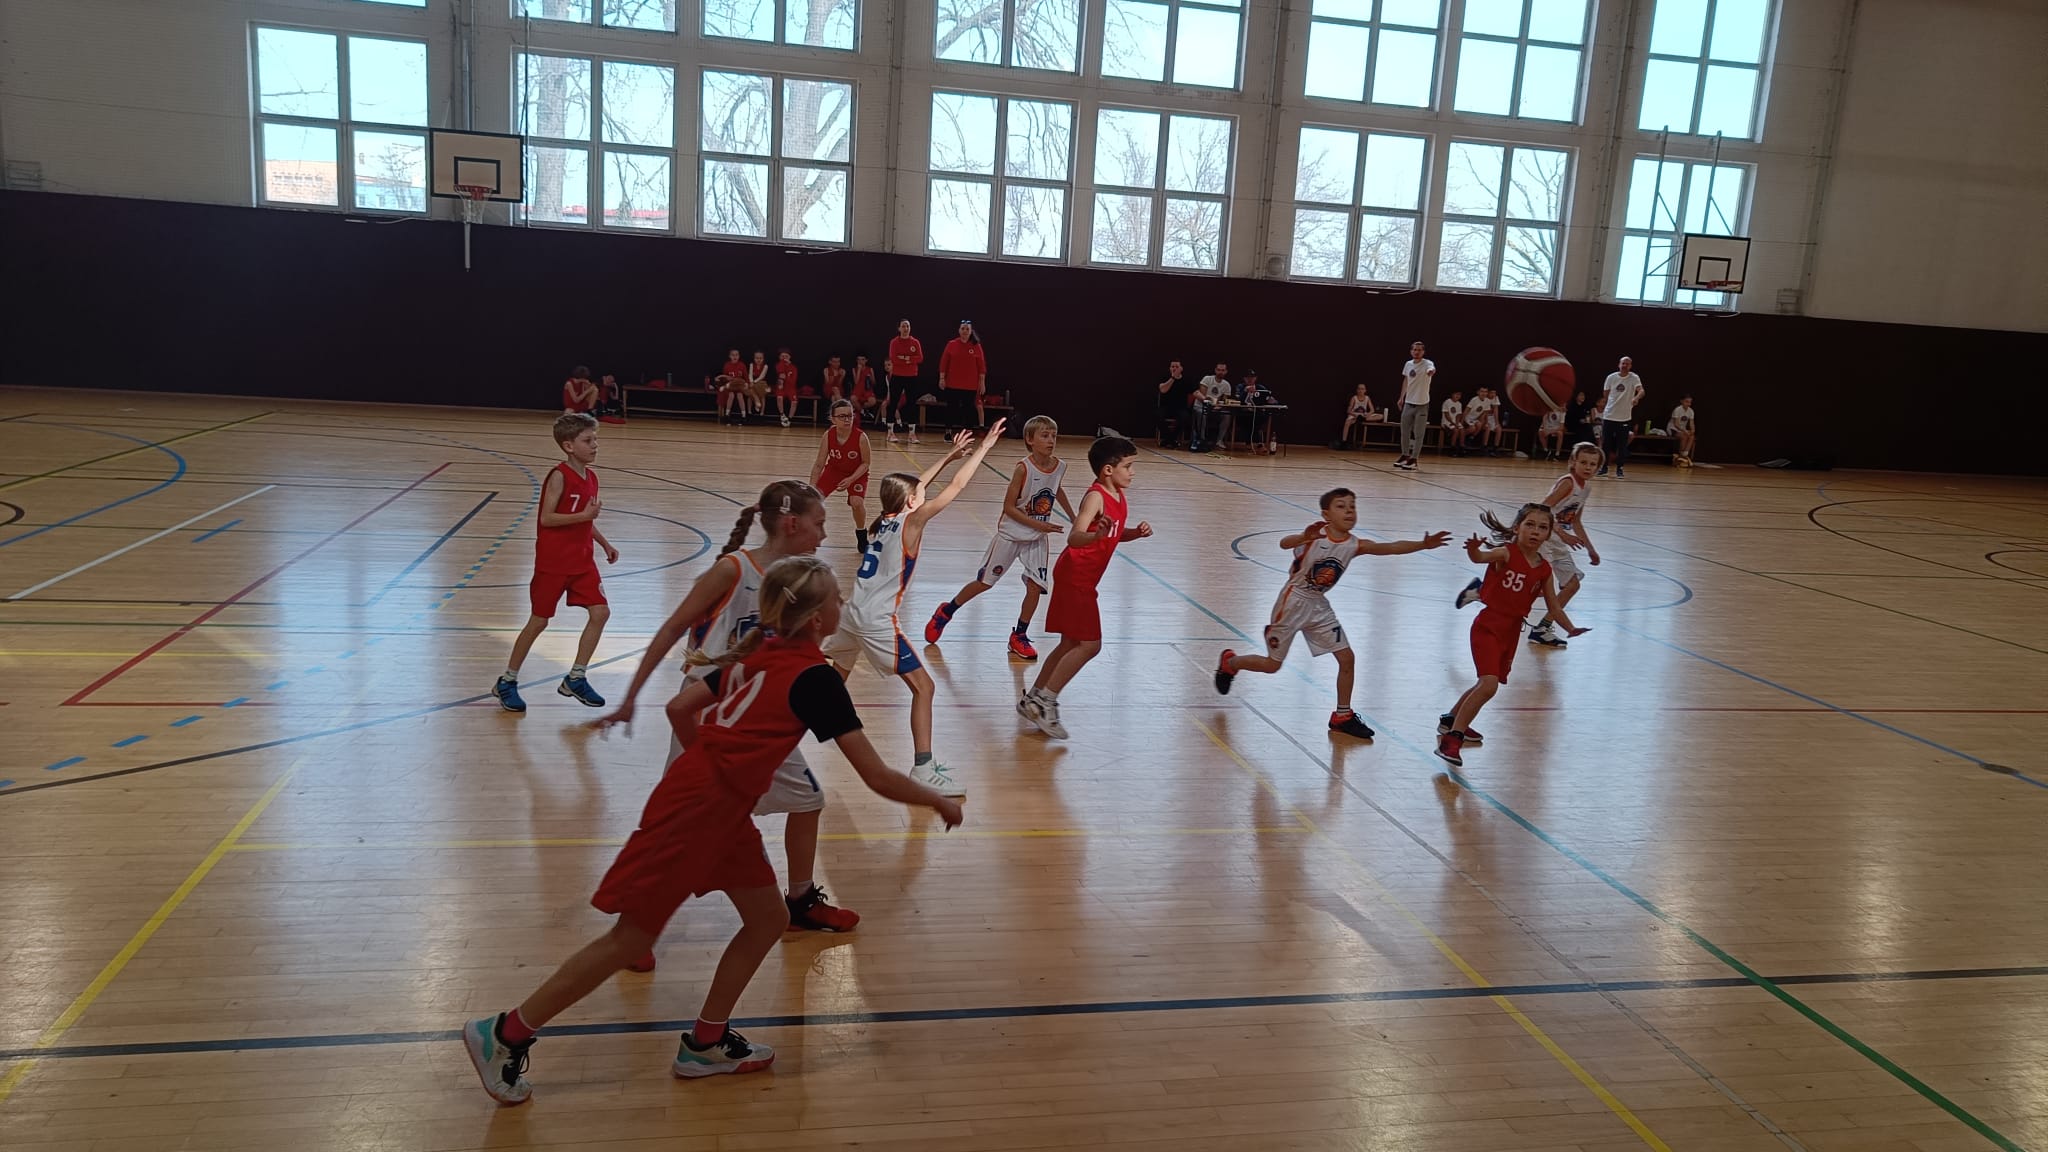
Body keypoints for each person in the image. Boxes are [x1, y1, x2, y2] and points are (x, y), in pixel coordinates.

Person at [462, 556, 964, 1107]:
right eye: (836, 598)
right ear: (818, 618)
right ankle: (505, 1033)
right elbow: (875, 776)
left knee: (768, 918)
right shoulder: (815, 678)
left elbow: (681, 708)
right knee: (629, 940)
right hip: (699, 814)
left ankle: (705, 1043)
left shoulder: (760, 653)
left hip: (718, 809)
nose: (843, 604)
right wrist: (936, 799)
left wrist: (712, 764)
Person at [594, 480, 858, 952]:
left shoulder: (802, 578)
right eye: (818, 524)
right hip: (705, 707)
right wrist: (631, 696)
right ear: (791, 523)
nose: (823, 534)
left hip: (761, 709)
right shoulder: (734, 569)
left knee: (807, 800)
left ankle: (800, 902)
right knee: (682, 824)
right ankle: (633, 932)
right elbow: (672, 627)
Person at [828, 423, 1008, 798]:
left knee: (831, 686)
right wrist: (983, 449)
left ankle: (781, 736)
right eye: (919, 495)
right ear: (911, 502)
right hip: (875, 622)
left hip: (851, 613)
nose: (923, 495)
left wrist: (948, 455)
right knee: (924, 687)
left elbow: (916, 485)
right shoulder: (912, 522)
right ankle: (923, 768)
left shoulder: (883, 521)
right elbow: (956, 487)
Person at [1214, 488, 1449, 739]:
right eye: (1341, 506)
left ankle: (1342, 716)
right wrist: (1303, 537)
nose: (1349, 511)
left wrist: (1423, 544)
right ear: (1326, 514)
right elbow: (1284, 543)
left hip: (1318, 606)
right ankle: (1231, 663)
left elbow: (1390, 547)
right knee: (1272, 665)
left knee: (1347, 658)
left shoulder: (1355, 544)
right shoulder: (1314, 536)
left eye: (1352, 506)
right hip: (1292, 602)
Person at [1018, 436, 1154, 739]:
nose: (1132, 472)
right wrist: (1095, 537)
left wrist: (1134, 533)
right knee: (1091, 645)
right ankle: (1046, 701)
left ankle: (1033, 698)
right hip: (1075, 576)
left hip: (1082, 577)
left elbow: (1113, 533)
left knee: (1069, 643)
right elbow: (1075, 536)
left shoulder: (1118, 495)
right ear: (1108, 469)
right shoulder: (1095, 497)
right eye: (1128, 466)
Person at [1438, 504, 1587, 767]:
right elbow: (1479, 558)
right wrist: (1473, 549)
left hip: (1510, 632)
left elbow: (1554, 607)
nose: (1536, 531)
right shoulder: (1506, 553)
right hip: (1488, 626)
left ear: (1549, 534)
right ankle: (1452, 740)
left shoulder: (1544, 569)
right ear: (1517, 528)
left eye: (1543, 527)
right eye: (1530, 525)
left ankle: (1451, 720)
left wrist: (1571, 628)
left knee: (1485, 683)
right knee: (1489, 685)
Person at [493, 413, 619, 713]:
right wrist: (584, 516)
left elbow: (584, 520)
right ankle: (507, 681)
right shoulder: (559, 476)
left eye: (595, 439)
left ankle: (576, 677)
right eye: (588, 440)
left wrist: (604, 543)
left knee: (601, 612)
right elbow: (547, 518)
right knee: (539, 621)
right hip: (554, 563)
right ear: (568, 446)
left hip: (583, 562)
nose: (595, 445)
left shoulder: (592, 478)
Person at [925, 415, 1076, 661]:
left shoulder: (1060, 466)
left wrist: (1073, 516)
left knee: (1035, 586)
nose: (1051, 440)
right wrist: (1040, 524)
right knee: (985, 582)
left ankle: (1019, 635)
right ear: (1030, 440)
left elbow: (1055, 487)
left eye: (1054, 436)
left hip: (1037, 537)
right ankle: (947, 610)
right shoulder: (1022, 469)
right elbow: (1009, 508)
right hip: (1011, 533)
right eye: (1045, 436)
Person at [1460, 441, 1603, 649]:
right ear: (1573, 462)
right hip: (1543, 538)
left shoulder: (1586, 488)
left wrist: (1591, 549)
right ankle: (1481, 592)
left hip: (1557, 542)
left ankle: (1542, 628)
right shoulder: (1568, 483)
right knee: (1536, 585)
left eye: (1593, 464)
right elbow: (1544, 509)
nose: (1588, 467)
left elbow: (1576, 521)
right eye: (1584, 462)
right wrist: (1562, 534)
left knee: (1572, 585)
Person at [809, 399, 873, 554]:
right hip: (834, 470)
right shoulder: (828, 435)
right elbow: (819, 464)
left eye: (850, 416)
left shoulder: (861, 437)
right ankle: (809, 536)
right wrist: (811, 488)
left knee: (856, 502)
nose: (847, 419)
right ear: (833, 419)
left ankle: (861, 534)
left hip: (856, 473)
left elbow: (866, 463)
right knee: (813, 501)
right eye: (842, 416)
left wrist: (850, 480)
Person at [1597, 356, 1644, 478]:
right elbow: (1606, 394)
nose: (1625, 365)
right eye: (1623, 363)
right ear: (1619, 364)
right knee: (1605, 444)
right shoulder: (1611, 377)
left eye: (1627, 364)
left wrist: (1636, 398)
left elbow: (1641, 391)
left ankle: (1620, 469)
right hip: (1609, 416)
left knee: (1622, 445)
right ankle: (1604, 467)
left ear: (1630, 366)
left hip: (1624, 418)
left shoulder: (1634, 378)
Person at [937, 321, 987, 433]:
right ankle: (948, 432)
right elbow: (944, 363)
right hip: (952, 384)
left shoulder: (976, 346)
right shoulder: (951, 344)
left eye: (967, 329)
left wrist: (982, 382)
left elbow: (981, 366)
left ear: (971, 331)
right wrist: (942, 378)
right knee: (951, 408)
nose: (965, 331)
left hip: (970, 385)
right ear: (959, 330)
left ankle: (968, 433)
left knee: (969, 409)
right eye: (963, 328)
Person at [1395, 341, 1434, 471]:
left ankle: (1414, 459)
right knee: (1404, 431)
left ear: (1423, 352)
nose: (1417, 352)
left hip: (1422, 404)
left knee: (1418, 433)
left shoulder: (1427, 363)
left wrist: (1430, 371)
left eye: (1419, 350)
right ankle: (1405, 455)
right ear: (1411, 351)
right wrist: (1401, 397)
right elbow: (1406, 380)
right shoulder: (1408, 364)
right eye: (1415, 349)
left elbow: (1431, 369)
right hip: (1408, 402)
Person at [884, 319, 923, 444]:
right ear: (899, 328)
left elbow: (920, 358)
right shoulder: (894, 342)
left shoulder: (915, 342)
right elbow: (894, 358)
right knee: (893, 403)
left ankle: (912, 434)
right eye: (903, 326)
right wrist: (910, 359)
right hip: (897, 376)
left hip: (912, 376)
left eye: (907, 326)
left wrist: (906, 358)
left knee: (912, 404)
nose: (906, 328)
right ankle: (890, 432)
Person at [1190, 362, 1232, 453]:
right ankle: (1202, 440)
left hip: (1215, 408)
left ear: (1226, 372)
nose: (1220, 372)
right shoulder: (1207, 379)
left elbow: (1224, 401)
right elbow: (1203, 395)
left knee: (1227, 416)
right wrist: (1211, 402)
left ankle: (1219, 441)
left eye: (1223, 370)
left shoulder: (1227, 385)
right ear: (1215, 370)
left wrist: (1219, 406)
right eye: (1219, 370)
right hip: (1201, 406)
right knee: (1202, 414)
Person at [1156, 361, 1195, 448]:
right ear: (1170, 368)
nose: (1174, 368)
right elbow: (1163, 390)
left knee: (1185, 417)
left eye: (1177, 367)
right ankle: (1171, 439)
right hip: (1166, 407)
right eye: (1172, 366)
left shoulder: (1186, 380)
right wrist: (1173, 378)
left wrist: (1205, 398)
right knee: (1158, 415)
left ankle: (1170, 439)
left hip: (1180, 408)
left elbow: (1194, 392)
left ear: (1181, 368)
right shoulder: (1165, 377)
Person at [1339, 384, 1378, 448]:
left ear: (1365, 390)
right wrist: (1354, 414)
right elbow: (1348, 410)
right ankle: (1344, 441)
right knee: (1347, 422)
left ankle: (1364, 419)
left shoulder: (1367, 398)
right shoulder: (1354, 398)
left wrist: (1368, 414)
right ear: (1357, 390)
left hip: (1363, 415)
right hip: (1354, 415)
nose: (1360, 390)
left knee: (1381, 416)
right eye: (1359, 389)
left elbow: (1372, 410)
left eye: (1362, 389)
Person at [716, 349, 748, 424]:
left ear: (739, 356)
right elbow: (724, 377)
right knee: (731, 395)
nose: (735, 357)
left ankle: (743, 416)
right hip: (730, 386)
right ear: (729, 356)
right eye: (733, 355)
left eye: (736, 355)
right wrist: (726, 382)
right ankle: (727, 415)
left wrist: (747, 383)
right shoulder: (727, 365)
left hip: (739, 386)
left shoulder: (742, 365)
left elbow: (746, 376)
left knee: (740, 396)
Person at [773, 349, 800, 427]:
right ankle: (782, 415)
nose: (784, 358)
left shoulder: (794, 368)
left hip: (791, 388)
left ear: (790, 357)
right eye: (782, 356)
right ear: (779, 357)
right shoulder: (778, 365)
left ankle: (790, 419)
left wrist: (786, 377)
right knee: (779, 397)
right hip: (781, 387)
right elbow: (780, 375)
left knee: (794, 401)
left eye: (786, 356)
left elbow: (793, 381)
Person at [849, 353, 879, 423]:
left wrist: (870, 377)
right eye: (859, 360)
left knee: (873, 401)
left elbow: (874, 383)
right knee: (853, 399)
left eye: (862, 360)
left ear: (866, 360)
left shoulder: (870, 369)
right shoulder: (854, 369)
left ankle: (860, 409)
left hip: (867, 389)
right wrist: (859, 370)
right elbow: (856, 382)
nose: (860, 361)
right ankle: (863, 412)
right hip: (858, 389)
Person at [744, 351, 771, 422]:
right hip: (752, 383)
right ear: (754, 358)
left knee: (762, 396)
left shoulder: (765, 366)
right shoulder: (751, 365)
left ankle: (762, 413)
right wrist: (751, 382)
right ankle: (749, 412)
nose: (758, 360)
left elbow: (762, 376)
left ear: (763, 359)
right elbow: (750, 374)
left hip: (761, 383)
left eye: (760, 358)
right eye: (757, 358)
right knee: (749, 394)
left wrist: (754, 382)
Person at [1669, 395, 1696, 465]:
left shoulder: (1691, 411)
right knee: (1684, 436)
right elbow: (1676, 424)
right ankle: (1681, 455)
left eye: (1690, 402)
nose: (1688, 404)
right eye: (1687, 402)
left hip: (1682, 430)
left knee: (1692, 436)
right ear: (1681, 401)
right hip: (1673, 428)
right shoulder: (1677, 410)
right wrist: (1684, 431)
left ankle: (1685, 454)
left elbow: (1691, 423)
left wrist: (1693, 430)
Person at [1440, 390, 1466, 456]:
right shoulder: (1447, 402)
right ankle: (1452, 448)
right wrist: (1453, 423)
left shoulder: (1459, 404)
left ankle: (1461, 447)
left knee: (1462, 430)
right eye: (1456, 394)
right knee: (1456, 430)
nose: (1457, 396)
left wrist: (1457, 423)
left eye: (1459, 395)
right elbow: (1446, 414)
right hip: (1446, 421)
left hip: (1455, 421)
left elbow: (1458, 415)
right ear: (1452, 394)